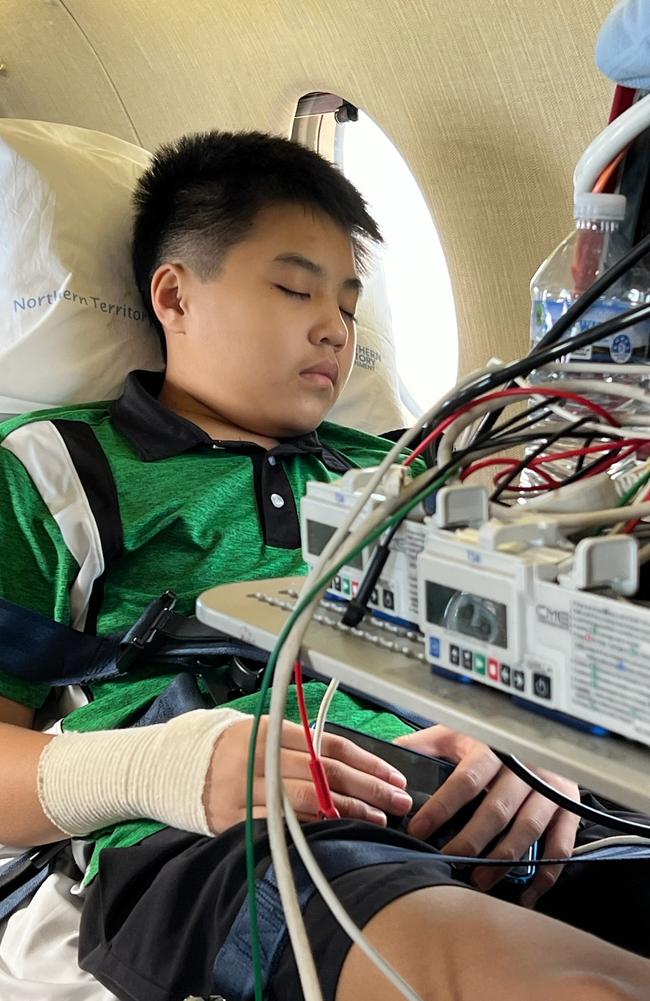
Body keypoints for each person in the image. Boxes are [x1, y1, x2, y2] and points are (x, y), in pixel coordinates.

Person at [0, 130, 648, 1001]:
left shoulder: (403, 468)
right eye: (295, 287)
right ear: (174, 296)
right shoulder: (55, 472)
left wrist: (541, 753)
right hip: (238, 836)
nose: (332, 329)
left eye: (348, 305)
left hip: (498, 809)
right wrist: (170, 765)